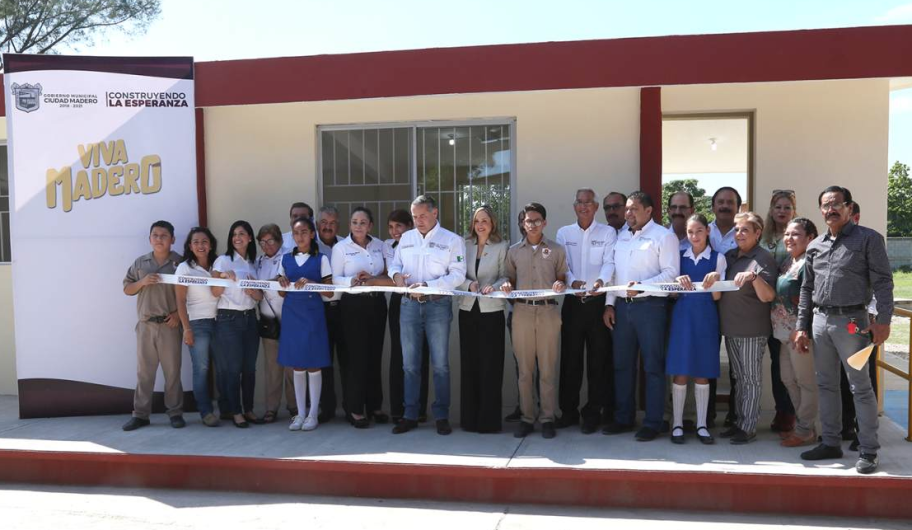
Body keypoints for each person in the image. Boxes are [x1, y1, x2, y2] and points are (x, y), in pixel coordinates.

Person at [796, 186, 893, 474]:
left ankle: (869, 450)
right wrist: (801, 326)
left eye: (837, 204)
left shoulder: (868, 239)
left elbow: (883, 282)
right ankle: (830, 442)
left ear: (849, 208)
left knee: (859, 387)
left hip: (853, 323)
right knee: (826, 384)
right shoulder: (815, 245)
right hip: (820, 322)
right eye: (825, 205)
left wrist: (884, 320)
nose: (831, 210)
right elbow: (806, 288)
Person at [602, 191, 679, 441]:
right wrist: (609, 304)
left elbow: (671, 274)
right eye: (627, 209)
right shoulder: (622, 237)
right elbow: (614, 273)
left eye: (634, 209)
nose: (628, 213)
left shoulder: (663, 236)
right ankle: (624, 418)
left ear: (648, 211)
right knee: (622, 365)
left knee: (653, 366)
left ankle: (653, 422)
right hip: (622, 308)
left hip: (650, 308)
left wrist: (643, 286)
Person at [388, 195, 467, 435]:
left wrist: (428, 286)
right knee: (409, 365)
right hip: (409, 305)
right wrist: (396, 276)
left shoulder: (452, 240)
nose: (418, 220)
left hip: (437, 305)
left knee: (440, 365)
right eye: (415, 217)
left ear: (435, 213)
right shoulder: (406, 238)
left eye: (422, 215)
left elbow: (458, 275)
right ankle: (410, 414)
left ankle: (441, 416)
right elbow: (395, 265)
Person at [502, 202, 568, 439]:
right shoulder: (513, 251)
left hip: (548, 312)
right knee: (525, 371)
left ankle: (547, 418)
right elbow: (509, 278)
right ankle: (527, 418)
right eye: (528, 221)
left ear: (545, 222)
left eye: (537, 220)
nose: (532, 224)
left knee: (547, 369)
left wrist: (560, 283)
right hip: (522, 313)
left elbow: (562, 277)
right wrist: (506, 285)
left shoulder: (556, 250)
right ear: (523, 223)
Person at [556, 188, 616, 434]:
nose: (583, 206)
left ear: (596, 206)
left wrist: (601, 281)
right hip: (573, 303)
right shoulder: (564, 233)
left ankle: (592, 413)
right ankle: (568, 412)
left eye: (588, 202)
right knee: (570, 360)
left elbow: (610, 263)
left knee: (597, 361)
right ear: (574, 206)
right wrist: (573, 282)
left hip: (597, 305)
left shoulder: (608, 232)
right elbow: (563, 265)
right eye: (579, 202)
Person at [718, 212, 777, 445]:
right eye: (736, 229)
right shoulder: (730, 256)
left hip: (753, 330)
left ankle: (748, 426)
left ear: (757, 233)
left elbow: (768, 296)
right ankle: (739, 422)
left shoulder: (763, 258)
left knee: (750, 379)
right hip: (731, 328)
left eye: (745, 230)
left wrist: (754, 277)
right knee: (739, 378)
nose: (739, 234)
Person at [666, 214, 725, 445]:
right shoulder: (679, 256)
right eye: (690, 232)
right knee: (680, 370)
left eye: (699, 231)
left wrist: (716, 279)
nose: (694, 236)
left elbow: (717, 296)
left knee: (702, 371)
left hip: (706, 318)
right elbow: (671, 293)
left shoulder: (718, 258)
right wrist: (676, 281)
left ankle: (701, 425)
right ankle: (677, 424)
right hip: (682, 317)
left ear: (708, 231)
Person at [121, 221, 185, 431]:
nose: (159, 239)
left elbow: (191, 294)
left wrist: (178, 314)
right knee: (145, 373)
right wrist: (142, 282)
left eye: (164, 235)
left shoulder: (180, 264)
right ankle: (140, 415)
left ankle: (175, 412)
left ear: (172, 239)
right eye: (155, 235)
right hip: (146, 325)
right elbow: (127, 289)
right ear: (149, 239)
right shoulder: (141, 263)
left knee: (172, 372)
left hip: (170, 325)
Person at [332, 207, 389, 428]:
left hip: (377, 303)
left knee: (374, 356)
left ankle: (374, 406)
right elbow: (334, 278)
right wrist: (352, 281)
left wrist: (374, 278)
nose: (358, 226)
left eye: (363, 222)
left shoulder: (380, 245)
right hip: (353, 306)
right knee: (357, 358)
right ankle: (354, 409)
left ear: (370, 225)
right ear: (349, 225)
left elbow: (389, 272)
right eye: (354, 222)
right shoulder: (341, 248)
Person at [277, 216, 333, 431]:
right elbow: (281, 292)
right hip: (292, 314)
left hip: (313, 315)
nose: (299, 237)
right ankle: (300, 414)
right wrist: (281, 283)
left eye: (303, 232)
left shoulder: (321, 259)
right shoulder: (285, 259)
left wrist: (312, 284)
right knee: (297, 364)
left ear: (312, 234)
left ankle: (313, 414)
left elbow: (330, 292)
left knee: (313, 363)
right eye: (296, 233)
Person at [458, 205, 509, 433]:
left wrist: (494, 287)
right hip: (468, 310)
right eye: (477, 220)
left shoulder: (502, 246)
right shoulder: (464, 245)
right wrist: (469, 284)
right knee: (469, 364)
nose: (480, 225)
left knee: (491, 365)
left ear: (492, 224)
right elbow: (455, 274)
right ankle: (469, 420)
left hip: (492, 311)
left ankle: (488, 422)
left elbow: (506, 276)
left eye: (485, 220)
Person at [772, 217, 820, 448]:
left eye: (796, 234)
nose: (789, 238)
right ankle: (805, 427)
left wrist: (802, 328)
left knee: (806, 382)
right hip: (784, 334)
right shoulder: (788, 262)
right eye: (787, 234)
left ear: (810, 238)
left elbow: (813, 300)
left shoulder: (811, 264)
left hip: (800, 334)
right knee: (788, 379)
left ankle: (804, 430)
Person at [212, 220, 263, 428]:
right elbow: (214, 291)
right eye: (234, 234)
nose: (237, 238)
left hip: (250, 318)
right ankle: (235, 411)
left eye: (241, 234)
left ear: (250, 238)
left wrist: (253, 291)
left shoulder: (254, 263)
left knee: (249, 368)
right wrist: (224, 277)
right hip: (229, 319)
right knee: (233, 368)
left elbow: (260, 296)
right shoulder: (223, 261)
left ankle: (248, 409)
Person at [383, 209, 430, 424]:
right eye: (391, 227)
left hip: (423, 299)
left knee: (421, 355)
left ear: (409, 227)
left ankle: (419, 409)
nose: (395, 231)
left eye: (399, 226)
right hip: (398, 301)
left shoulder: (421, 243)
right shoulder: (387, 246)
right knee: (399, 355)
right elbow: (389, 273)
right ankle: (397, 409)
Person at [840, 201, 879, 451]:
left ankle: (863, 433)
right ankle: (845, 424)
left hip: (862, 321)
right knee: (840, 378)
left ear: (855, 216)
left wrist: (874, 315)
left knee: (863, 379)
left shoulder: (869, 242)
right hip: (838, 322)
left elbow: (879, 283)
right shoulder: (833, 245)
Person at [761, 190, 799, 434]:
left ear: (793, 211)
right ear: (771, 210)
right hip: (764, 309)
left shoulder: (799, 237)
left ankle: (792, 412)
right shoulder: (763, 238)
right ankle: (780, 410)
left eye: (787, 207)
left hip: (789, 311)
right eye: (778, 207)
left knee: (790, 365)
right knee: (776, 363)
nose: (782, 211)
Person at [174, 227, 220, 427]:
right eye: (196, 242)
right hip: (197, 324)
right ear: (190, 246)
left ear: (211, 244)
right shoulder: (184, 268)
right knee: (201, 369)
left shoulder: (218, 264)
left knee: (224, 367)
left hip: (221, 322)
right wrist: (187, 328)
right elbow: (180, 300)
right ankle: (206, 412)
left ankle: (227, 409)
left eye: (204, 241)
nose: (200, 245)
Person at [255, 223, 295, 423]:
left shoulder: (289, 256)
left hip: (290, 319)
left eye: (270, 240)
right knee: (272, 368)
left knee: (292, 367)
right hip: (268, 321)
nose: (267, 245)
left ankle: (295, 407)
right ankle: (271, 408)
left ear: (279, 239)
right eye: (262, 242)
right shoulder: (258, 262)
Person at [709, 186, 742, 428]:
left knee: (736, 363)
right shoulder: (703, 230)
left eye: (730, 202)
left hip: (736, 305)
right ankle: (707, 412)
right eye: (720, 202)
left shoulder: (743, 232)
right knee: (709, 358)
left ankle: (735, 413)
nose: (724, 206)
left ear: (738, 207)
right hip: (707, 304)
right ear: (713, 206)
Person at [316, 205, 346, 422]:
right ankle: (326, 408)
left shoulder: (345, 245)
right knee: (323, 361)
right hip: (320, 311)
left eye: (332, 223)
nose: (328, 227)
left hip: (345, 309)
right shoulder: (309, 246)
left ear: (338, 225)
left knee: (348, 360)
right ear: (317, 224)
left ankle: (351, 407)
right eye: (324, 222)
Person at [504, 209, 529, 424]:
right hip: (516, 315)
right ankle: (523, 408)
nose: (525, 224)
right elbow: (508, 281)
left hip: (541, 315)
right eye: (521, 220)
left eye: (529, 220)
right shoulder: (512, 251)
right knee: (521, 364)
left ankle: (543, 409)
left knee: (542, 365)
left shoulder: (549, 249)